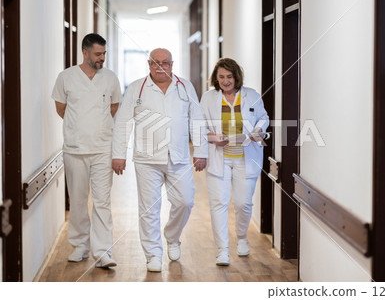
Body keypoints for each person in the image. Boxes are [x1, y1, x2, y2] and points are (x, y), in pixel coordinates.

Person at [112, 48, 208, 272]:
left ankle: (172, 237)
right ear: (148, 63)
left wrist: (201, 151)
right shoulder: (137, 88)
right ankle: (153, 254)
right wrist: (118, 154)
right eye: (156, 62)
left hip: (179, 156)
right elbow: (123, 121)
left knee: (185, 201)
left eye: (165, 62)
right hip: (147, 158)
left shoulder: (184, 86)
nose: (160, 66)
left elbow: (197, 119)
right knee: (149, 209)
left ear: (172, 65)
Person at [51, 33, 122, 268]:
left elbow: (113, 107)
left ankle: (103, 252)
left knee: (102, 201)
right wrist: (79, 127)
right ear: (85, 52)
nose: (102, 58)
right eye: (97, 54)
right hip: (74, 149)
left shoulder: (110, 78)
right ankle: (80, 245)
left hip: (103, 148)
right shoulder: (66, 77)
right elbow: (61, 108)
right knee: (79, 200)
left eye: (104, 53)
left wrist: (96, 128)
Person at [200, 58, 269, 266]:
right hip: (218, 157)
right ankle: (222, 250)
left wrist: (259, 131)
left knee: (243, 203)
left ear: (236, 77)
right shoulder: (208, 98)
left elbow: (263, 118)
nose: (225, 81)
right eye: (221, 77)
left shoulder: (251, 95)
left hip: (245, 158)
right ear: (216, 78)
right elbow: (199, 125)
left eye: (229, 76)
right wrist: (213, 138)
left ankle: (241, 237)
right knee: (219, 203)